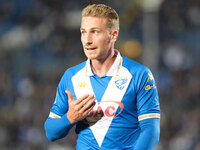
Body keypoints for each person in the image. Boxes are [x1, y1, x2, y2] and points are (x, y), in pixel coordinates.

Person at [44, 4, 160, 150]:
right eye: (83, 32)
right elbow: (50, 132)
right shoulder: (71, 77)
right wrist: (70, 118)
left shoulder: (139, 74)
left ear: (113, 35)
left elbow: (151, 131)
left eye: (95, 32)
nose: (87, 40)